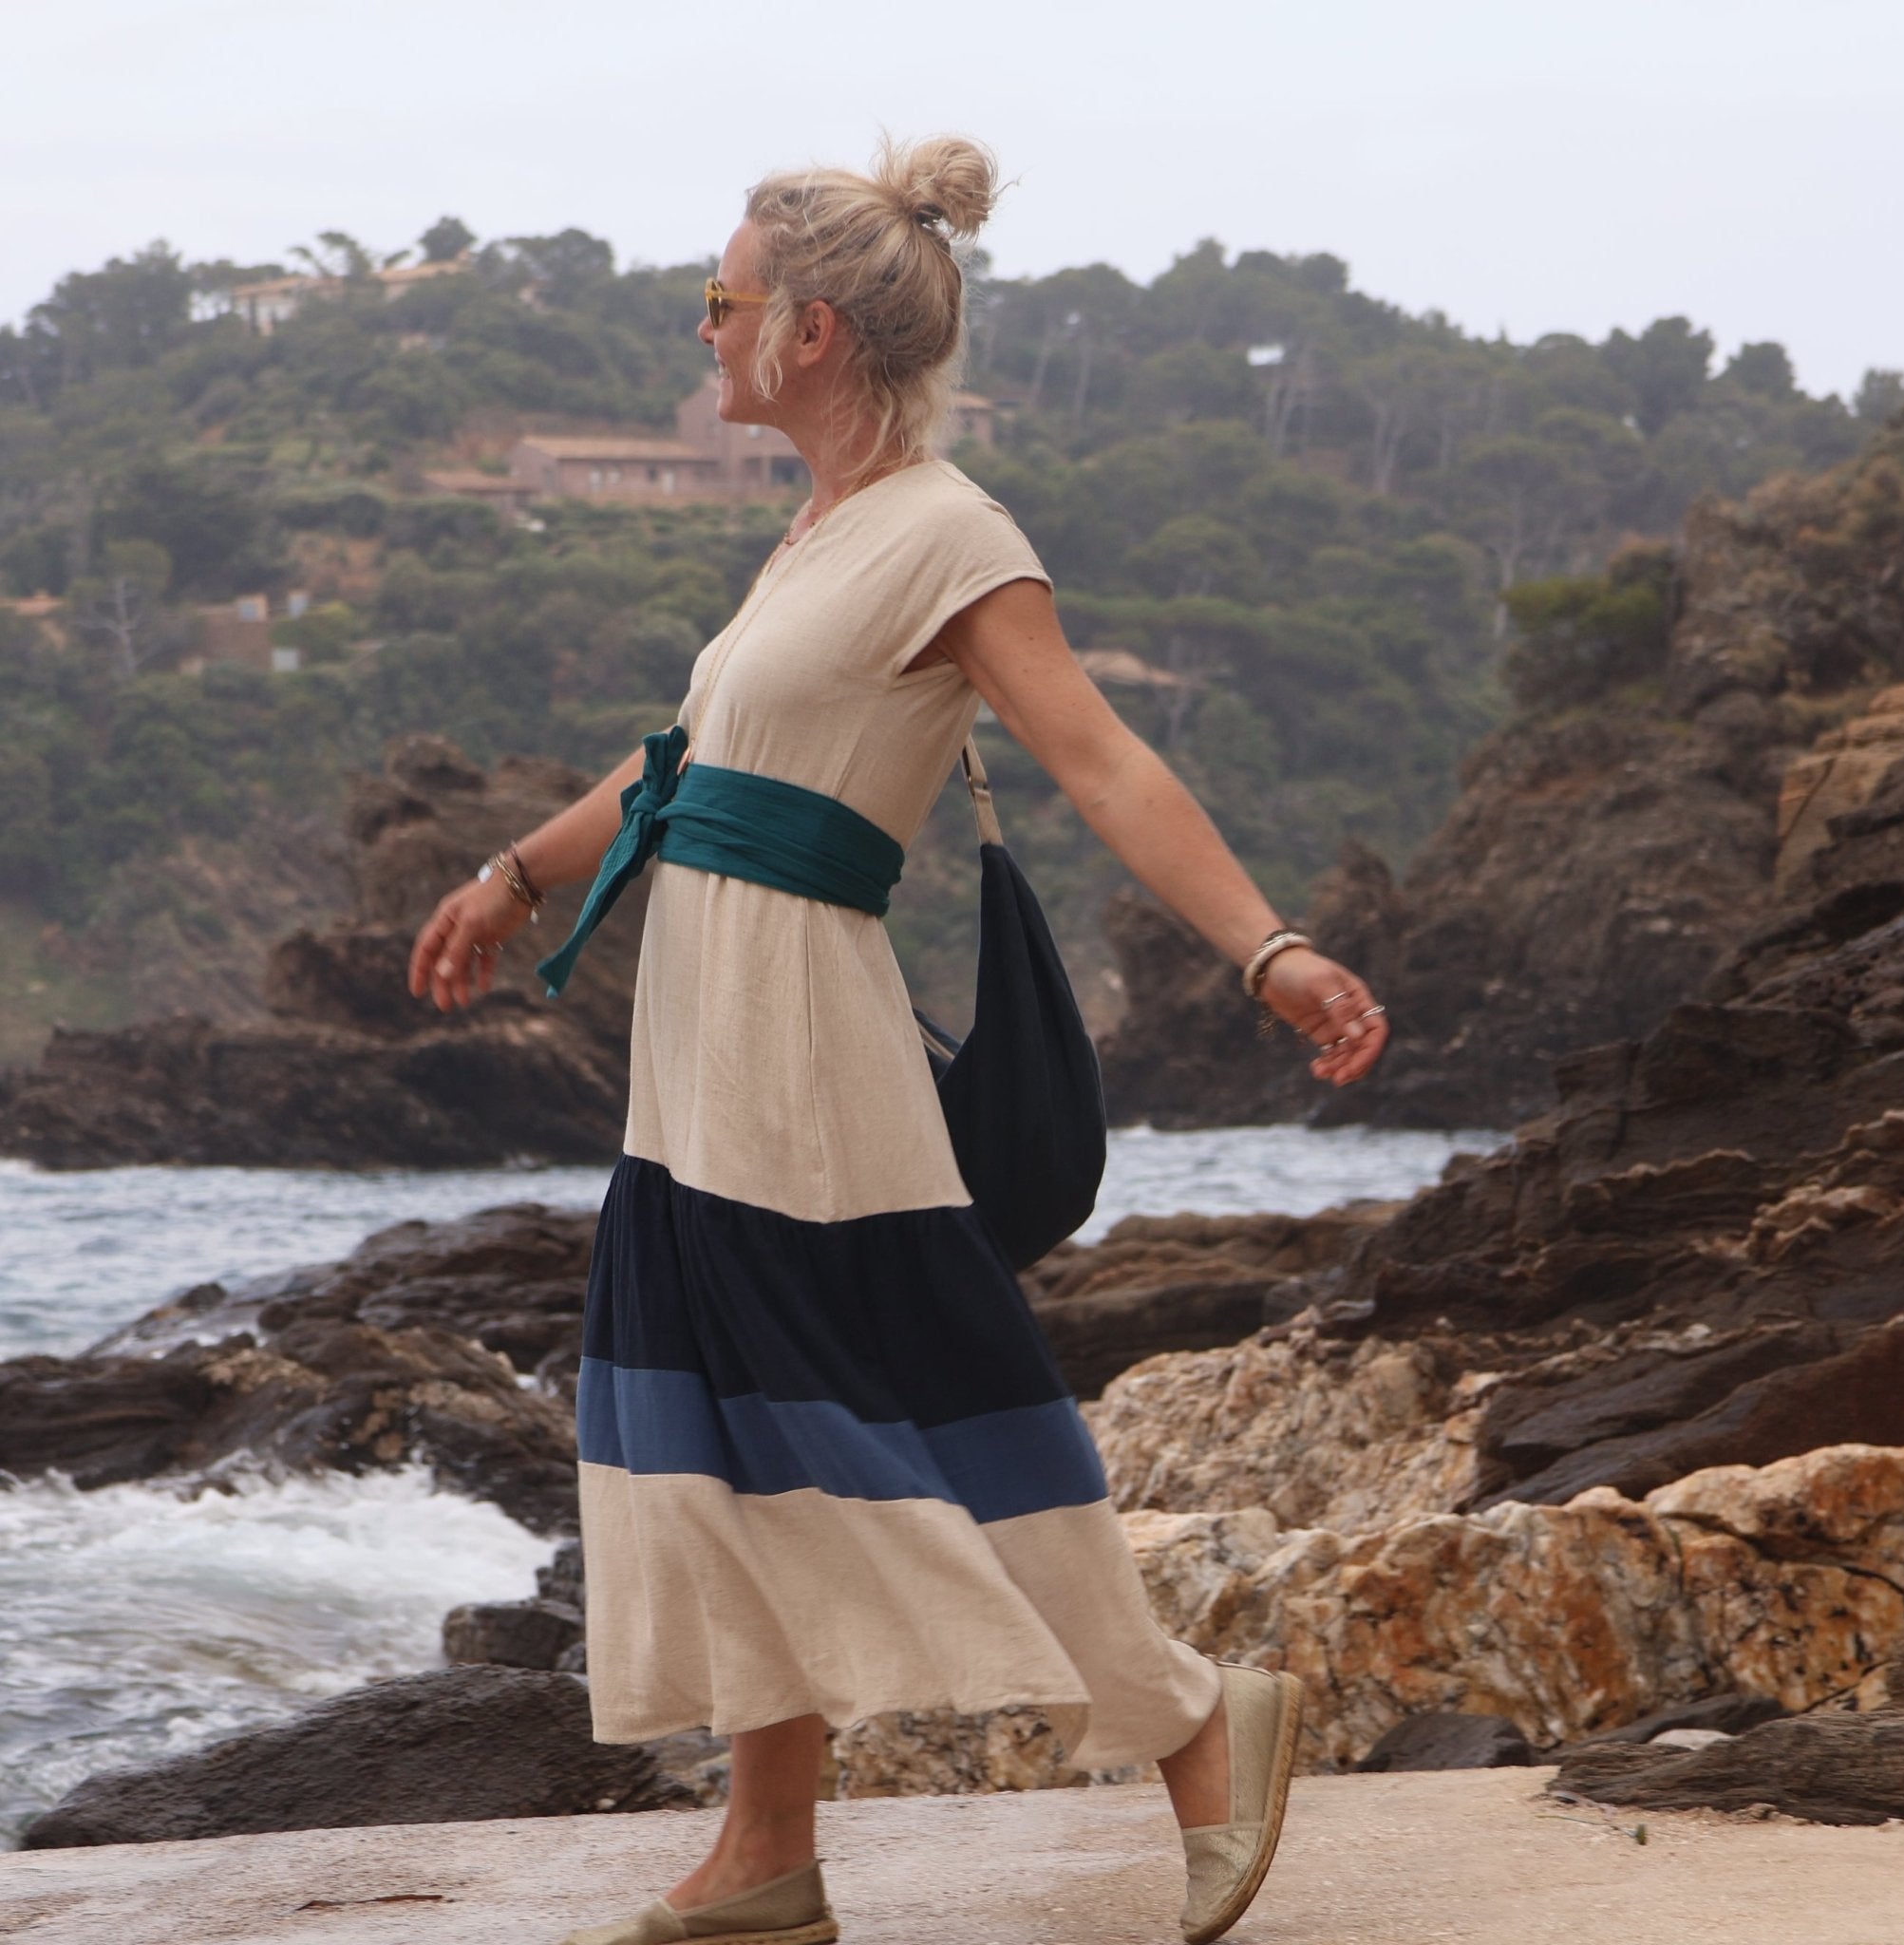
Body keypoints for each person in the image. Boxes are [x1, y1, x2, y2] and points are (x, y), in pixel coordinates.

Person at [409, 135, 1387, 1945]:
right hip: (702, 1058)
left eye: (719, 299)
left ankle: (1191, 1720)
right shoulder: (814, 538)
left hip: (801, 1046)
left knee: (917, 1394)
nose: (703, 327)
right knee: (704, 1422)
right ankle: (766, 1853)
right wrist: (513, 876)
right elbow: (683, 770)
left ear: (814, 331)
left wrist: (1270, 949)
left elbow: (1102, 760)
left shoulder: (951, 535)